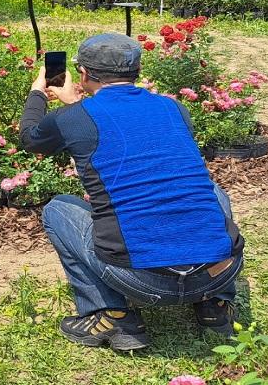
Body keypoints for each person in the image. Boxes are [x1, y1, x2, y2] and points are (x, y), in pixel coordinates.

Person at [19, 33, 245, 351]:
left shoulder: (73, 118)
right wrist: (77, 106)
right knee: (212, 193)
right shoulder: (174, 109)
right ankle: (215, 307)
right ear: (136, 72)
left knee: (58, 209)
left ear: (83, 75)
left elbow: (31, 138)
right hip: (217, 272)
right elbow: (128, 128)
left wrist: (37, 95)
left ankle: (113, 316)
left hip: (142, 280)